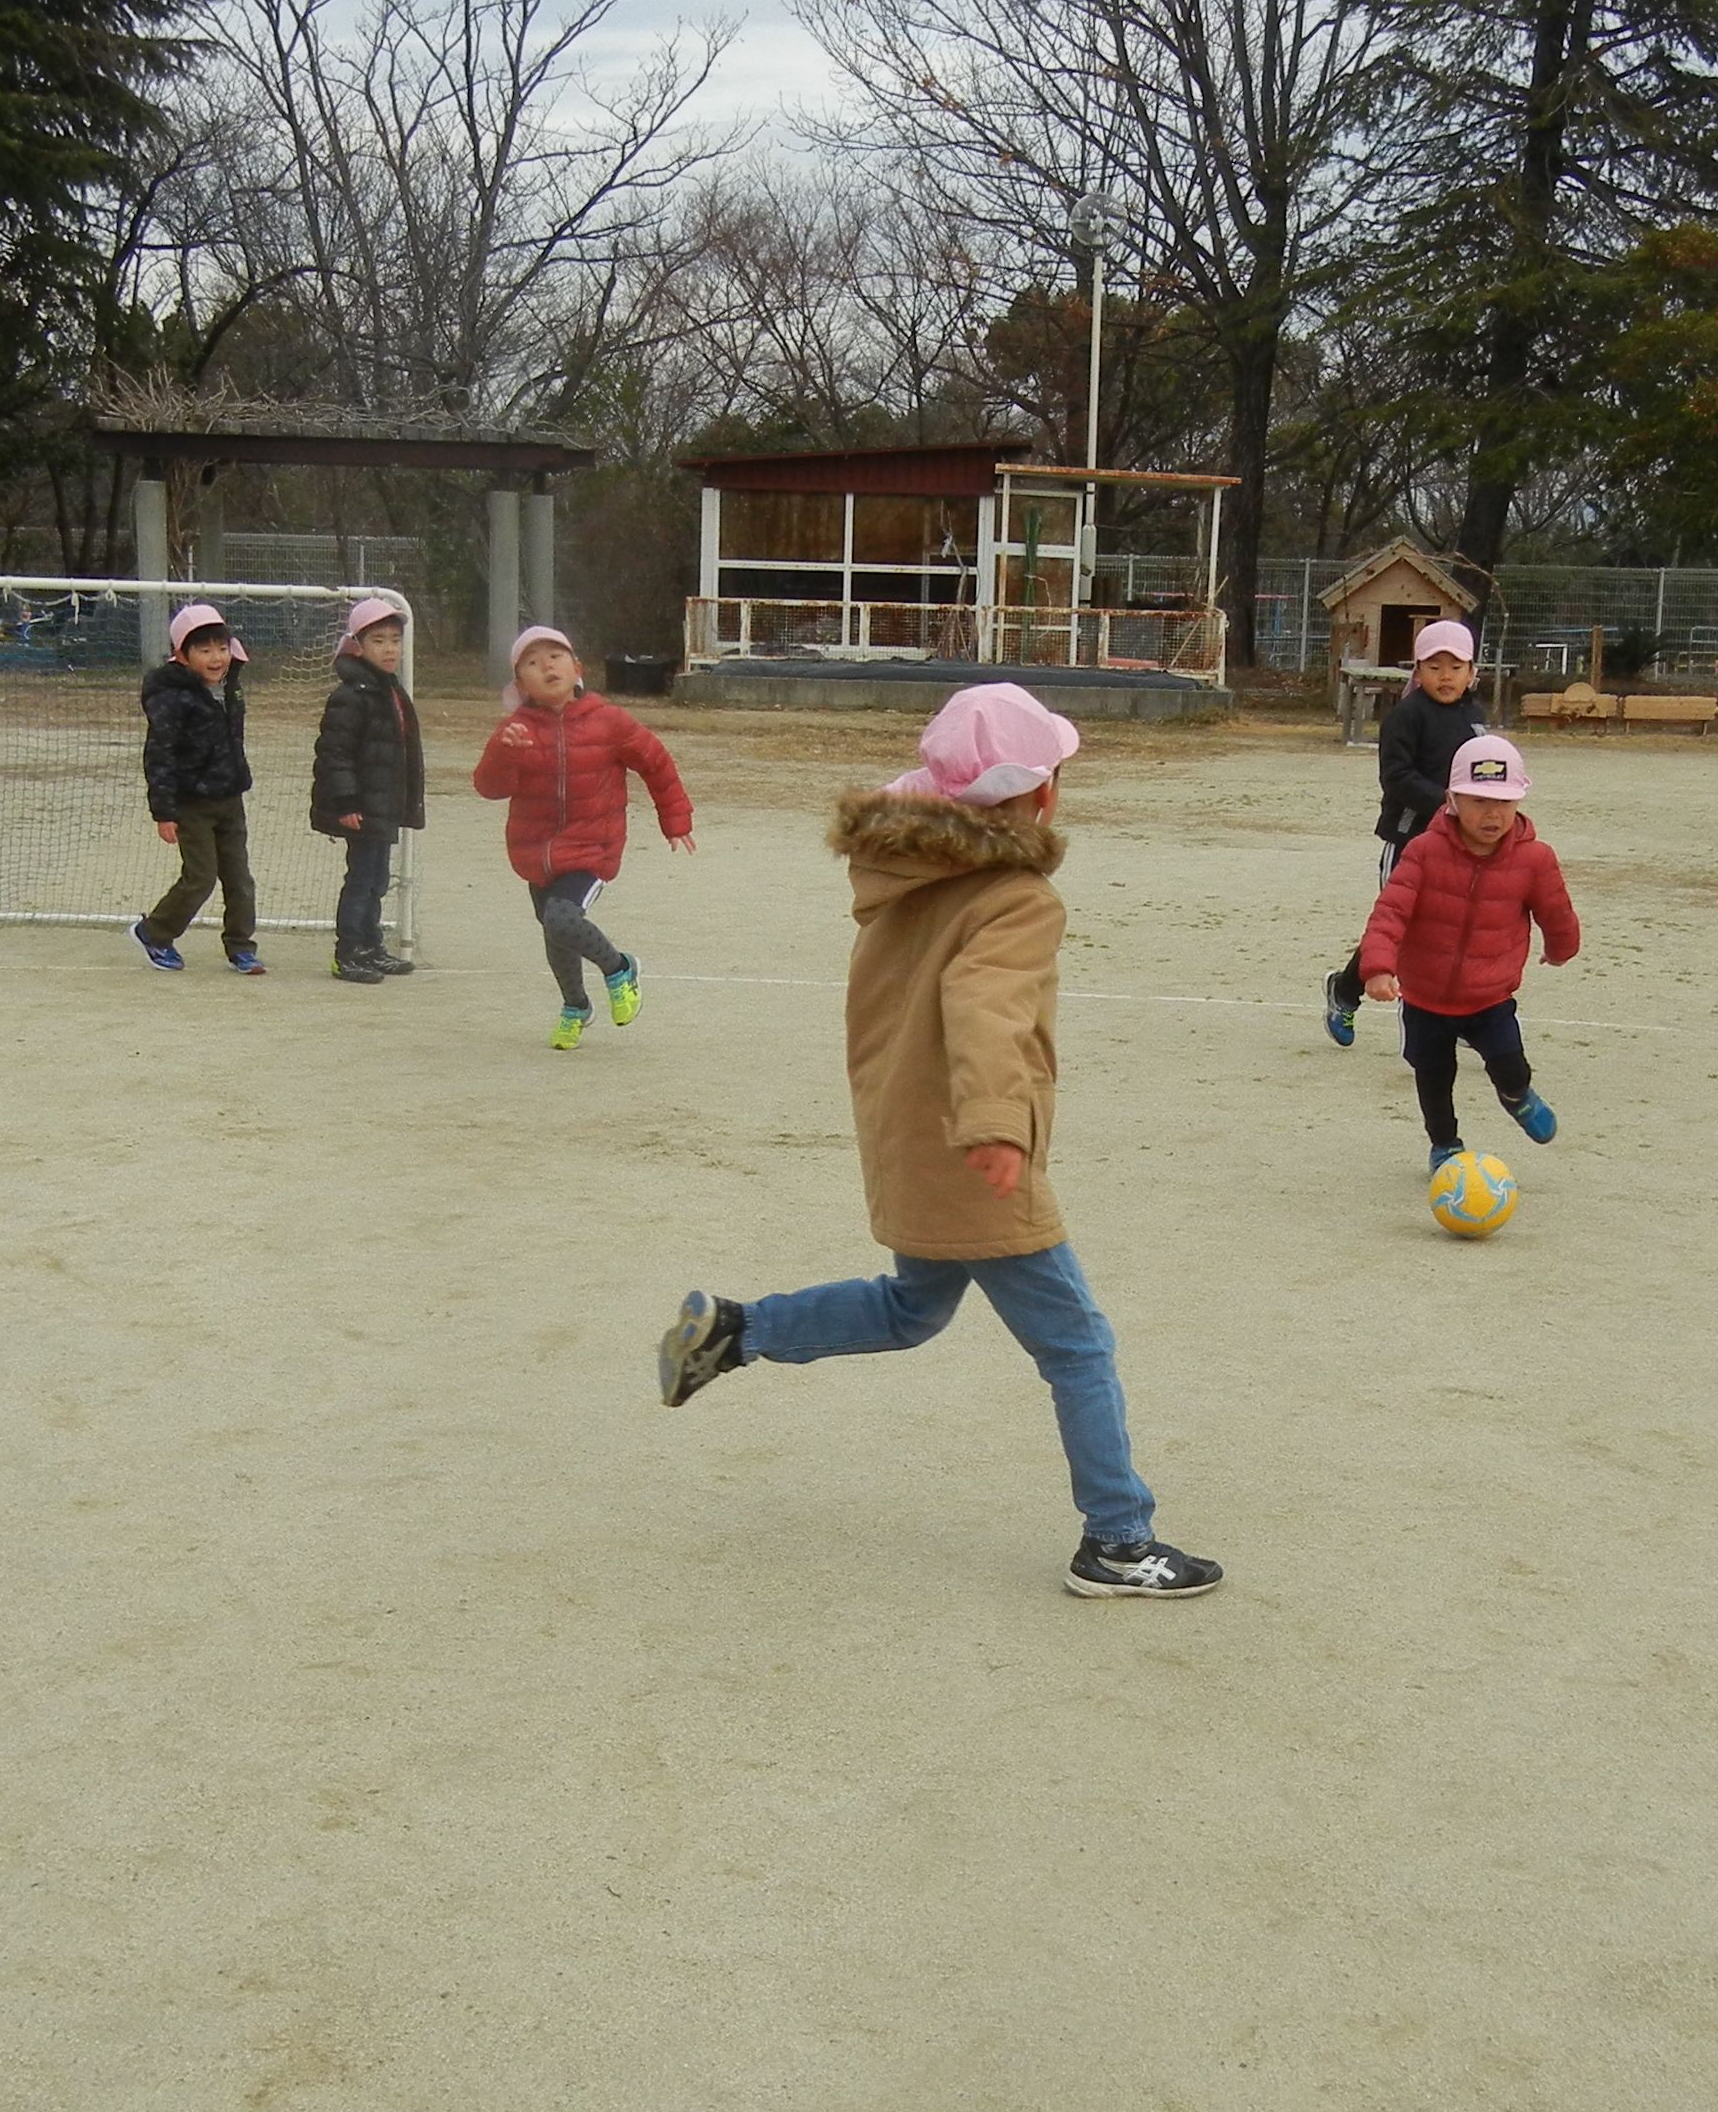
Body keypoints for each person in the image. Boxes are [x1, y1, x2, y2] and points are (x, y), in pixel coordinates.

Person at [654, 683, 1220, 1601]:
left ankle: (737, 1331)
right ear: (1036, 797)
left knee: (910, 1309)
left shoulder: (904, 874)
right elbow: (986, 1008)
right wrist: (997, 1127)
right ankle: (1117, 1539)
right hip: (972, 1153)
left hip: (907, 1137)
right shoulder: (1015, 897)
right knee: (1077, 1345)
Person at [1353, 730, 1577, 1168]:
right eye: (1478, 801)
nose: (1492, 814)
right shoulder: (1423, 852)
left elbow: (1556, 910)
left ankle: (1517, 1096)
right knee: (1433, 1079)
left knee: (1511, 1065)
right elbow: (1389, 914)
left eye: (1504, 803)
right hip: (1425, 998)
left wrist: (1562, 947)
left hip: (1489, 996)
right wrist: (1377, 968)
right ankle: (1445, 1145)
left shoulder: (1535, 860)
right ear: (1452, 799)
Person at [469, 623, 693, 1049]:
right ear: (521, 685)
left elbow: (656, 763)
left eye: (555, 656)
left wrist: (676, 820)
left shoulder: (609, 721)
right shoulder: (516, 729)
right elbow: (489, 787)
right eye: (532, 663)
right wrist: (503, 750)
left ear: (577, 668)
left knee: (562, 918)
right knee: (556, 932)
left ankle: (620, 969)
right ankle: (576, 1006)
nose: (546, 666)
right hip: (535, 853)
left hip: (593, 847)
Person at [1323, 615, 1490, 1044]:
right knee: (1400, 929)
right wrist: (1448, 805)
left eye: (1456, 667)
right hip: (1410, 840)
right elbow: (1396, 776)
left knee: (1457, 928)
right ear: (1418, 671)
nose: (1446, 676)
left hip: (1463, 844)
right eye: (1434, 667)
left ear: (1472, 673)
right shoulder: (1407, 716)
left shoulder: (1475, 718)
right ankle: (1345, 990)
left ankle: (1458, 1015)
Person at [131, 601, 262, 975]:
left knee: (240, 878)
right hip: (191, 804)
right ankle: (154, 932)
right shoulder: (172, 698)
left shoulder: (231, 689)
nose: (216, 657)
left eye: (221, 647)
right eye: (204, 650)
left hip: (229, 799)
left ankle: (241, 947)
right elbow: (159, 757)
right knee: (200, 877)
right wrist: (165, 812)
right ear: (182, 655)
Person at [309, 593, 424, 983]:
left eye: (395, 640)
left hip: (383, 803)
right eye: (379, 641)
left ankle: (371, 945)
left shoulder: (387, 688)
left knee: (377, 878)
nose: (390, 649)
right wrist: (347, 801)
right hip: (362, 806)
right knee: (361, 878)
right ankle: (349, 952)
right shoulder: (351, 695)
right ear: (357, 645)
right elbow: (334, 753)